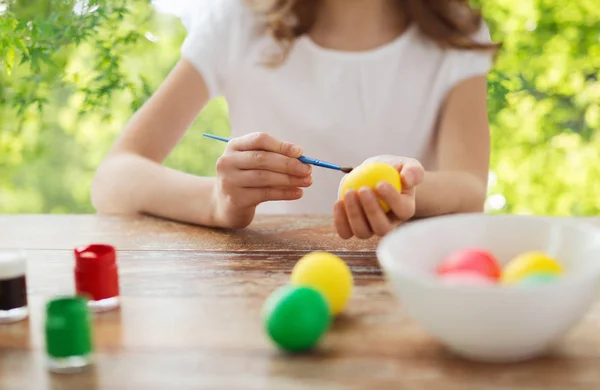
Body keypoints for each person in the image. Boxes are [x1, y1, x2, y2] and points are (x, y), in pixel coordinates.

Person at [91, 0, 498, 239]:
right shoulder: (239, 21)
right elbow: (113, 179)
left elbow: (469, 189)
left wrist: (404, 189)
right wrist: (218, 202)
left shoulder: (456, 33)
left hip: (404, 290)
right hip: (260, 291)